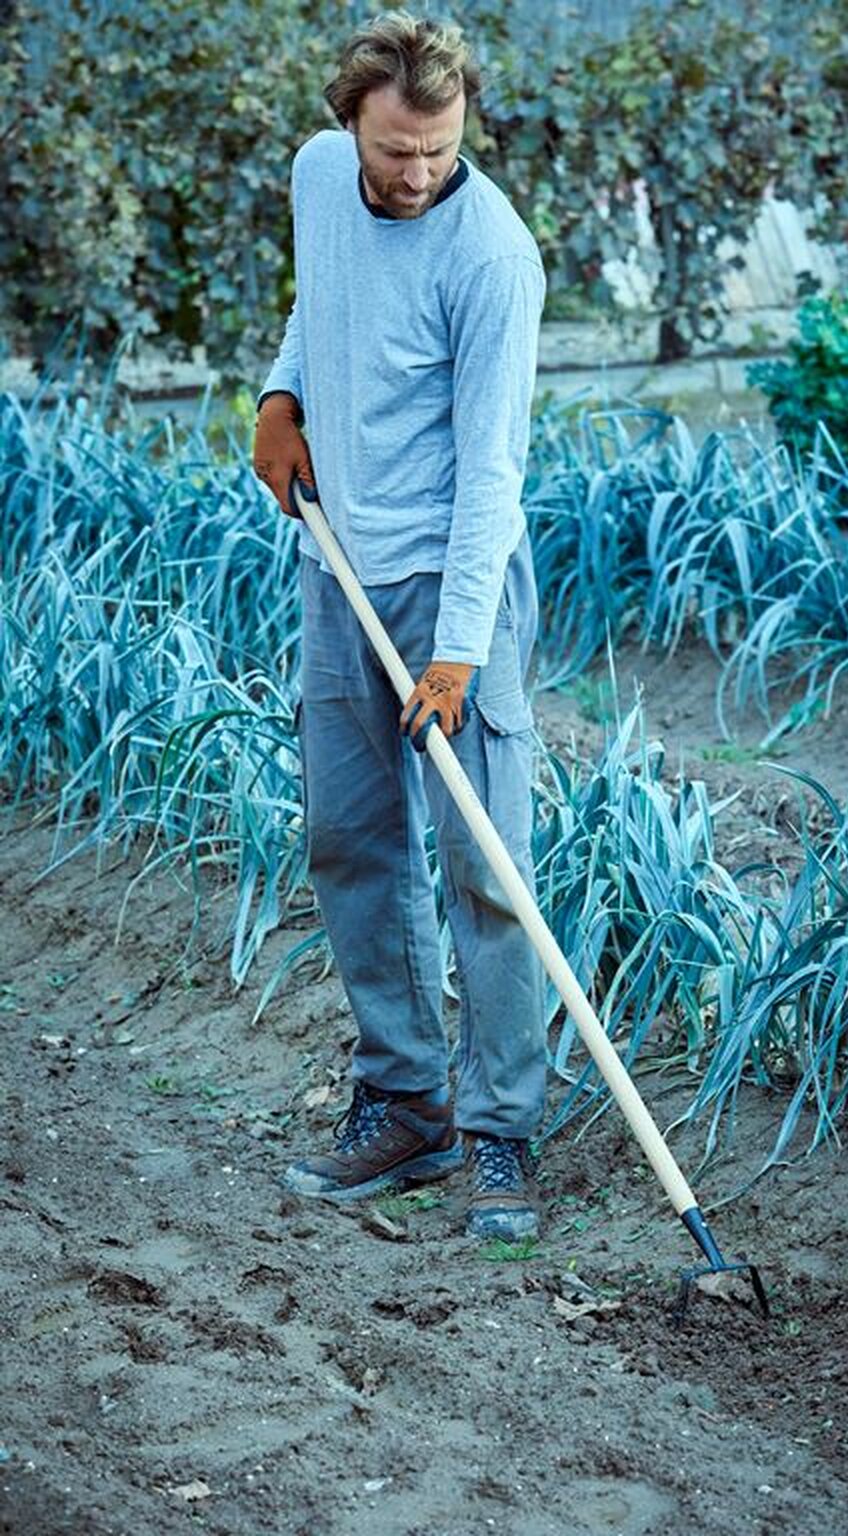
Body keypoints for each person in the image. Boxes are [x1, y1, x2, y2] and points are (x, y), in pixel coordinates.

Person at [252, 12, 547, 1241]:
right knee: (349, 841)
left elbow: (493, 471)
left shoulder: (492, 255)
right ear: (348, 127)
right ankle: (406, 1104)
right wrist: (283, 390)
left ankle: (501, 1135)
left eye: (438, 149)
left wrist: (458, 650)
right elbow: (324, 300)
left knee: (484, 861)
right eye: (394, 152)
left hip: (453, 585)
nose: (416, 175)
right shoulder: (322, 177)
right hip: (343, 565)